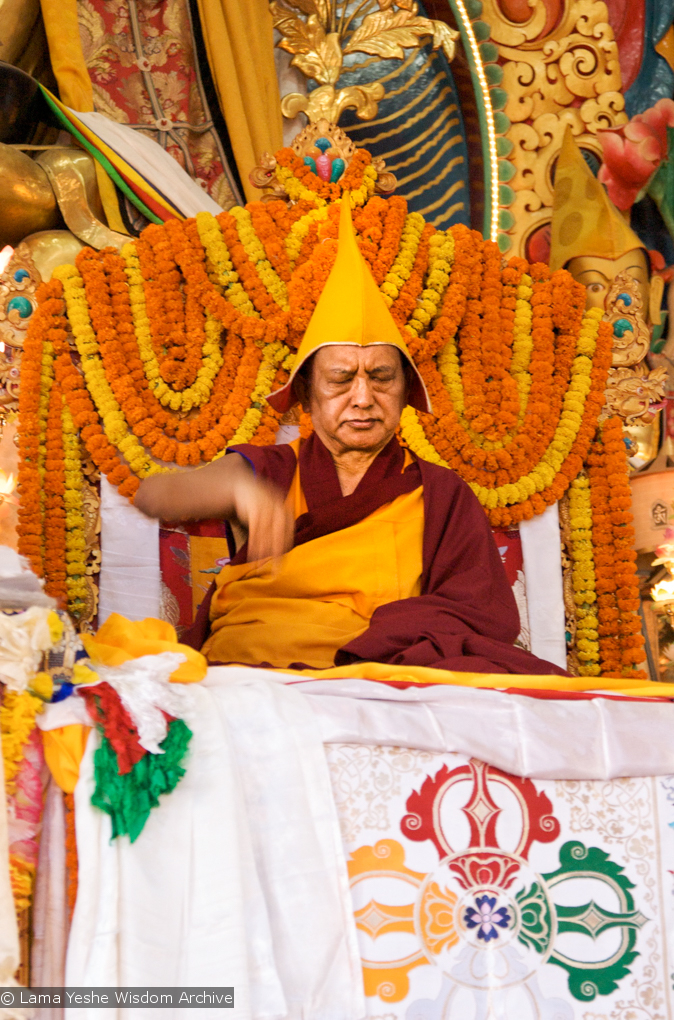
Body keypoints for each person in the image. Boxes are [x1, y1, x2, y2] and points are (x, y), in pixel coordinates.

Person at [136, 197, 566, 677]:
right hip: (255, 673)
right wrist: (241, 490)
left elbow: (482, 615)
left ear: (406, 391)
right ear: (305, 392)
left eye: (381, 377)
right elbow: (159, 493)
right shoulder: (273, 470)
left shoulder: (440, 494)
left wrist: (385, 636)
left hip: (381, 675)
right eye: (340, 379)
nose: (362, 398)